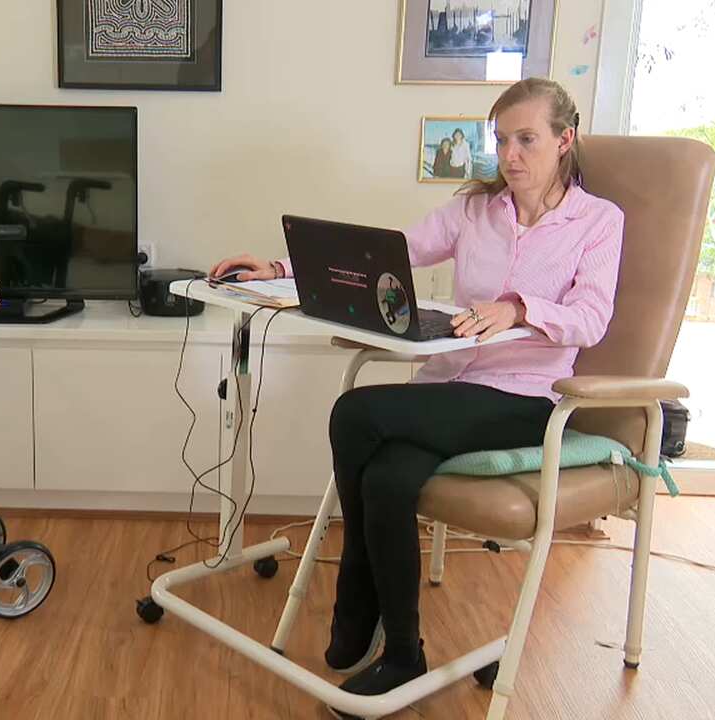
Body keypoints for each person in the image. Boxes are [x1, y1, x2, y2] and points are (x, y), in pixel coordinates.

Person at [209, 77, 623, 713]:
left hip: (525, 398)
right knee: (384, 479)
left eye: (527, 139)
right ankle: (404, 652)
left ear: (565, 141)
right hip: (446, 384)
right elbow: (386, 257)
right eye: (502, 140)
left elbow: (592, 317)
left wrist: (518, 310)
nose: (510, 155)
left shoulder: (597, 221)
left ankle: (356, 590)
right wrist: (278, 269)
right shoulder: (474, 210)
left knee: (356, 411)